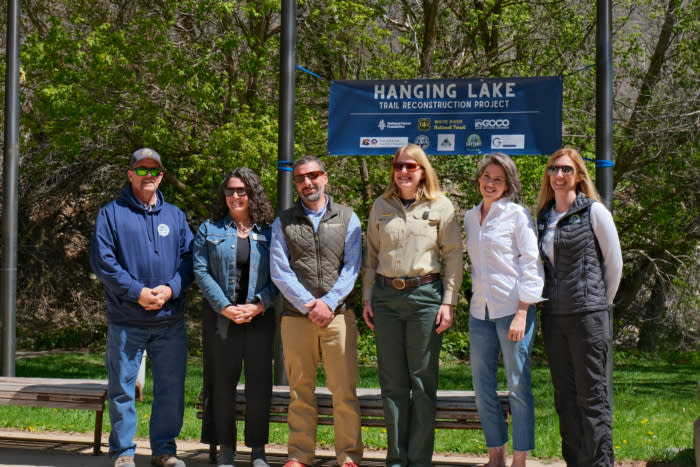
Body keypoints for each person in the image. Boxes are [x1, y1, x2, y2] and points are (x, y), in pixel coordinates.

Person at [90, 148, 194, 467]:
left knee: (171, 390)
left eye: (155, 171)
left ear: (162, 176)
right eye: (142, 170)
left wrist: (171, 288)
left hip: (169, 321)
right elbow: (103, 262)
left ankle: (163, 450)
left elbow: (191, 259)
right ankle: (123, 452)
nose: (149, 176)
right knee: (122, 390)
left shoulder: (176, 216)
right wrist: (137, 293)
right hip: (127, 320)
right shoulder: (111, 214)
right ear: (130, 173)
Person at [362, 144, 463, 467]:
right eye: (398, 166)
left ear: (422, 171)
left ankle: (418, 460)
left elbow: (453, 257)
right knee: (391, 383)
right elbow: (371, 257)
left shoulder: (441, 205)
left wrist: (449, 302)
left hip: (425, 298)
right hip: (386, 298)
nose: (403, 172)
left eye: (411, 166)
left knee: (421, 381)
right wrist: (367, 297)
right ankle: (396, 459)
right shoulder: (381, 205)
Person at [270, 155, 363, 467]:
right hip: (297, 319)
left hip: (339, 317)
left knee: (344, 391)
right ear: (295, 183)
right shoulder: (282, 221)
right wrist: (309, 305)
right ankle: (299, 456)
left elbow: (352, 268)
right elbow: (280, 271)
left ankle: (348, 457)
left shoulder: (349, 218)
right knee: (300, 391)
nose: (307, 182)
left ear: (325, 177)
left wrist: (328, 303)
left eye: (313, 176)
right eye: (300, 178)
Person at [535, 147, 622, 467]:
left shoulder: (594, 212)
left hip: (588, 317)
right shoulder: (543, 217)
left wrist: (599, 304)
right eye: (554, 169)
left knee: (592, 399)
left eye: (566, 170)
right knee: (566, 400)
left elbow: (614, 264)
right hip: (554, 319)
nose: (559, 175)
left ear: (579, 176)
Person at [464, 153, 544, 467]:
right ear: (479, 179)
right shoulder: (471, 217)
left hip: (514, 310)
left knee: (517, 384)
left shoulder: (517, 215)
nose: (491, 183)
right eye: (486, 176)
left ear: (508, 184)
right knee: (481, 384)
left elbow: (531, 264)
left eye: (498, 179)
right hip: (479, 311)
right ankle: (495, 454)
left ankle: (520, 459)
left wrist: (523, 311)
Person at [194, 168, 278, 467]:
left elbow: (281, 274)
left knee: (259, 383)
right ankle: (226, 447)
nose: (235, 196)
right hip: (221, 317)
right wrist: (225, 307)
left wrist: (258, 305)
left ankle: (257, 450)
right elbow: (201, 270)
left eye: (242, 190)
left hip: (259, 317)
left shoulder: (270, 230)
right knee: (220, 383)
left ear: (252, 193)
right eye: (230, 190)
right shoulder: (210, 229)